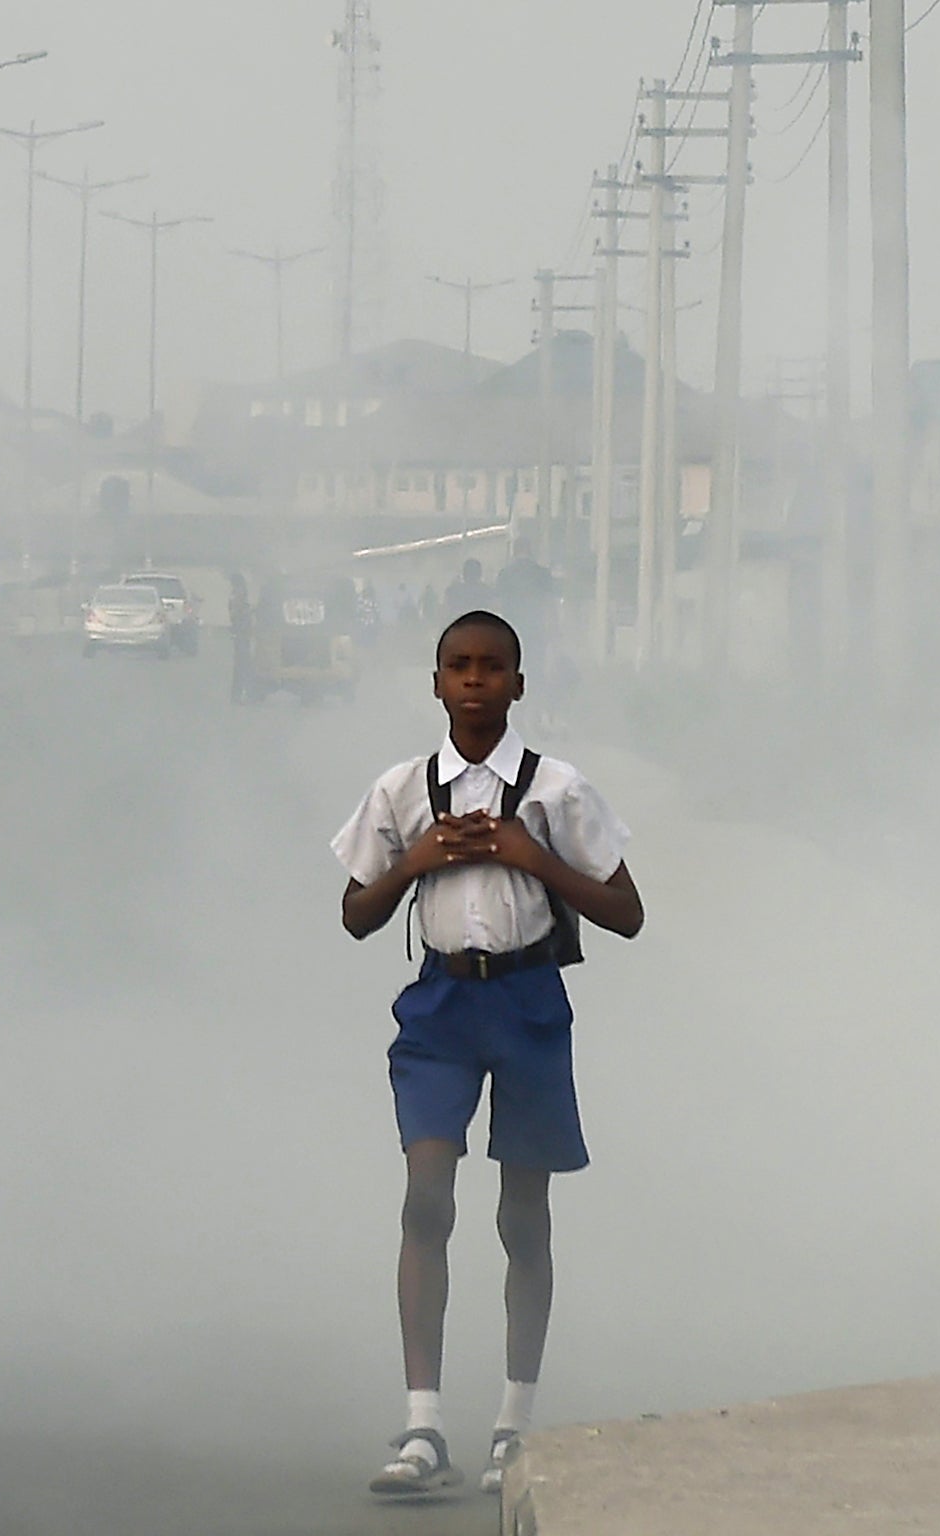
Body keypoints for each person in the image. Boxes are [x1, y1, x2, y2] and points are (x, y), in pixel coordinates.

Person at [332, 610, 646, 1499]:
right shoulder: (403, 790)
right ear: (436, 684)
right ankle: (423, 1424)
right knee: (426, 1195)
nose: (475, 681)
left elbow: (625, 911)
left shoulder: (555, 791)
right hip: (440, 1002)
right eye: (458, 668)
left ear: (518, 685)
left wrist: (531, 857)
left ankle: (515, 1421)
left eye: (492, 668)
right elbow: (356, 914)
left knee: (523, 1215)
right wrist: (415, 862)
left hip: (527, 1001)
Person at [227, 571, 254, 703]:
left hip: (241, 635)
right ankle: (242, 694)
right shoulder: (237, 598)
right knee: (243, 666)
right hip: (241, 635)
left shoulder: (235, 597)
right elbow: (236, 615)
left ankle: (241, 694)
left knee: (242, 665)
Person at [442, 558, 496, 625]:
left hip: (460, 627)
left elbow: (447, 612)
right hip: (482, 626)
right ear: (480, 574)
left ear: (464, 573)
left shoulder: (453, 591)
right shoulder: (487, 591)